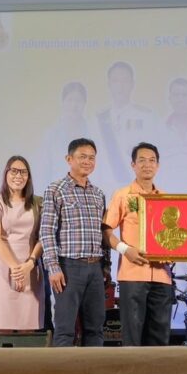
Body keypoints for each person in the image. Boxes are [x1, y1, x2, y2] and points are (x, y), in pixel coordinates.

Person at [103, 142, 173, 346]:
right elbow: (106, 231)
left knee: (160, 338)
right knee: (132, 337)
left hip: (162, 276)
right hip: (132, 275)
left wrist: (174, 253)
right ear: (133, 165)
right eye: (141, 160)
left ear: (158, 166)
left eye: (152, 160)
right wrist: (125, 250)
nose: (147, 165)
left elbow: (172, 236)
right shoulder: (122, 195)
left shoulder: (167, 198)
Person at [40, 138, 109, 347]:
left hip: (95, 268)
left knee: (95, 329)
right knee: (65, 329)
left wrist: (106, 267)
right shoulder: (56, 189)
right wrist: (53, 267)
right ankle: (62, 369)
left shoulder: (98, 194)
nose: (87, 161)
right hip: (68, 267)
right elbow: (46, 230)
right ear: (69, 159)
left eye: (91, 158)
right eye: (82, 157)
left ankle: (93, 369)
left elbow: (102, 232)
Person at [0, 156, 44, 332]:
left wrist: (29, 265)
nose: (18, 176)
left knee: (28, 327)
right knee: (3, 327)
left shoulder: (38, 203)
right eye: (14, 171)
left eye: (23, 172)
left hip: (30, 267)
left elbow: (43, 237)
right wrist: (16, 269)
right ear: (6, 173)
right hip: (3, 268)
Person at [96, 62, 154, 189]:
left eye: (125, 81)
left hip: (138, 187)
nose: (120, 86)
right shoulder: (98, 119)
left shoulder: (147, 117)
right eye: (116, 81)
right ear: (109, 84)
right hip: (106, 186)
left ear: (132, 84)